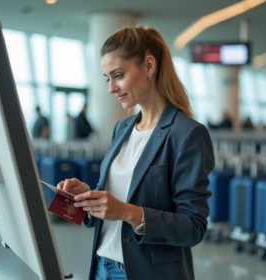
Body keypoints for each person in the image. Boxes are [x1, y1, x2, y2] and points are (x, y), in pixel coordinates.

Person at [57, 26, 214, 280]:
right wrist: (87, 197)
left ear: (149, 66)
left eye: (118, 75)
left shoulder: (187, 133)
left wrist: (129, 212)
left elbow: (193, 227)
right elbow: (113, 202)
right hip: (100, 267)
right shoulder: (122, 128)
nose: (111, 88)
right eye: (108, 78)